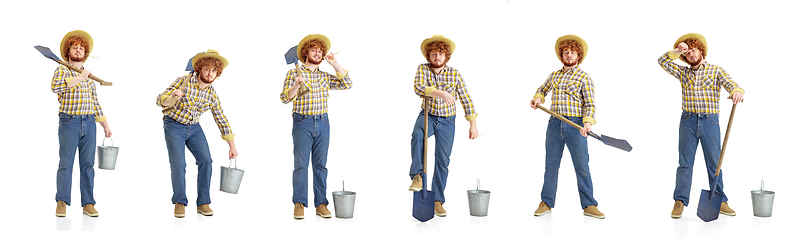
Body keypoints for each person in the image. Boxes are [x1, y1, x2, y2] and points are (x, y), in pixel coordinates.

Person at [657, 33, 744, 219]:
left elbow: (732, 84)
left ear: (701, 50)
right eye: (687, 54)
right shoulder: (683, 72)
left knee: (715, 164)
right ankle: (679, 201)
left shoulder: (715, 70)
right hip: (687, 121)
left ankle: (720, 201)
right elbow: (662, 61)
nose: (691, 56)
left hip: (710, 122)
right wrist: (676, 50)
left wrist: (736, 92)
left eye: (693, 51)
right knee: (685, 163)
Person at [157, 49, 238, 218]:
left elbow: (221, 119)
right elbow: (160, 100)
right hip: (174, 125)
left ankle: (203, 203)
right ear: (199, 69)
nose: (210, 73)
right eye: (207, 69)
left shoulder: (212, 94)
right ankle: (180, 202)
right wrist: (172, 97)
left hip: (194, 128)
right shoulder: (183, 81)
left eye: (214, 71)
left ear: (218, 74)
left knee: (206, 161)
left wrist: (232, 146)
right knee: (179, 164)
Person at [530, 35, 604, 219]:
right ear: (561, 55)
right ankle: (546, 202)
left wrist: (587, 123)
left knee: (582, 166)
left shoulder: (584, 78)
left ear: (578, 55)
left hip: (576, 125)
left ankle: (589, 205)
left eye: (572, 52)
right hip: (554, 124)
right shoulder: (554, 76)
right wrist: (537, 99)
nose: (569, 55)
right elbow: (542, 89)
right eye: (566, 52)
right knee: (551, 166)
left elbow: (590, 105)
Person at [280, 34, 353, 219]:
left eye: (320, 51)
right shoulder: (294, 74)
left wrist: (335, 63)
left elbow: (347, 84)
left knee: (320, 166)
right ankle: (299, 203)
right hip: (302, 122)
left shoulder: (324, 76)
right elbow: (284, 98)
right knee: (301, 165)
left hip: (323, 122)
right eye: (314, 50)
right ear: (306, 53)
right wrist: (296, 86)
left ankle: (321, 203)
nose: (318, 53)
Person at [408, 35, 479, 217]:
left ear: (446, 56)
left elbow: (466, 99)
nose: (437, 58)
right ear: (428, 56)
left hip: (448, 121)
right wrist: (441, 93)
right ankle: (417, 176)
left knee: (442, 161)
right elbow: (419, 88)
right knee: (417, 135)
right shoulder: (422, 69)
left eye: (440, 54)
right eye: (433, 54)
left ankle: (438, 200)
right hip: (428, 116)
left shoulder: (454, 74)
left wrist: (473, 124)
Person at [52, 30, 112, 217]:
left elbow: (95, 103)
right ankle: (62, 202)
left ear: (85, 53)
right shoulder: (62, 69)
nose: (78, 50)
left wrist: (105, 125)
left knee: (87, 165)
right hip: (69, 122)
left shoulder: (89, 78)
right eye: (74, 47)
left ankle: (88, 203)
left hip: (89, 123)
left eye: (81, 48)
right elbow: (55, 87)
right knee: (66, 164)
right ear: (68, 52)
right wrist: (80, 77)